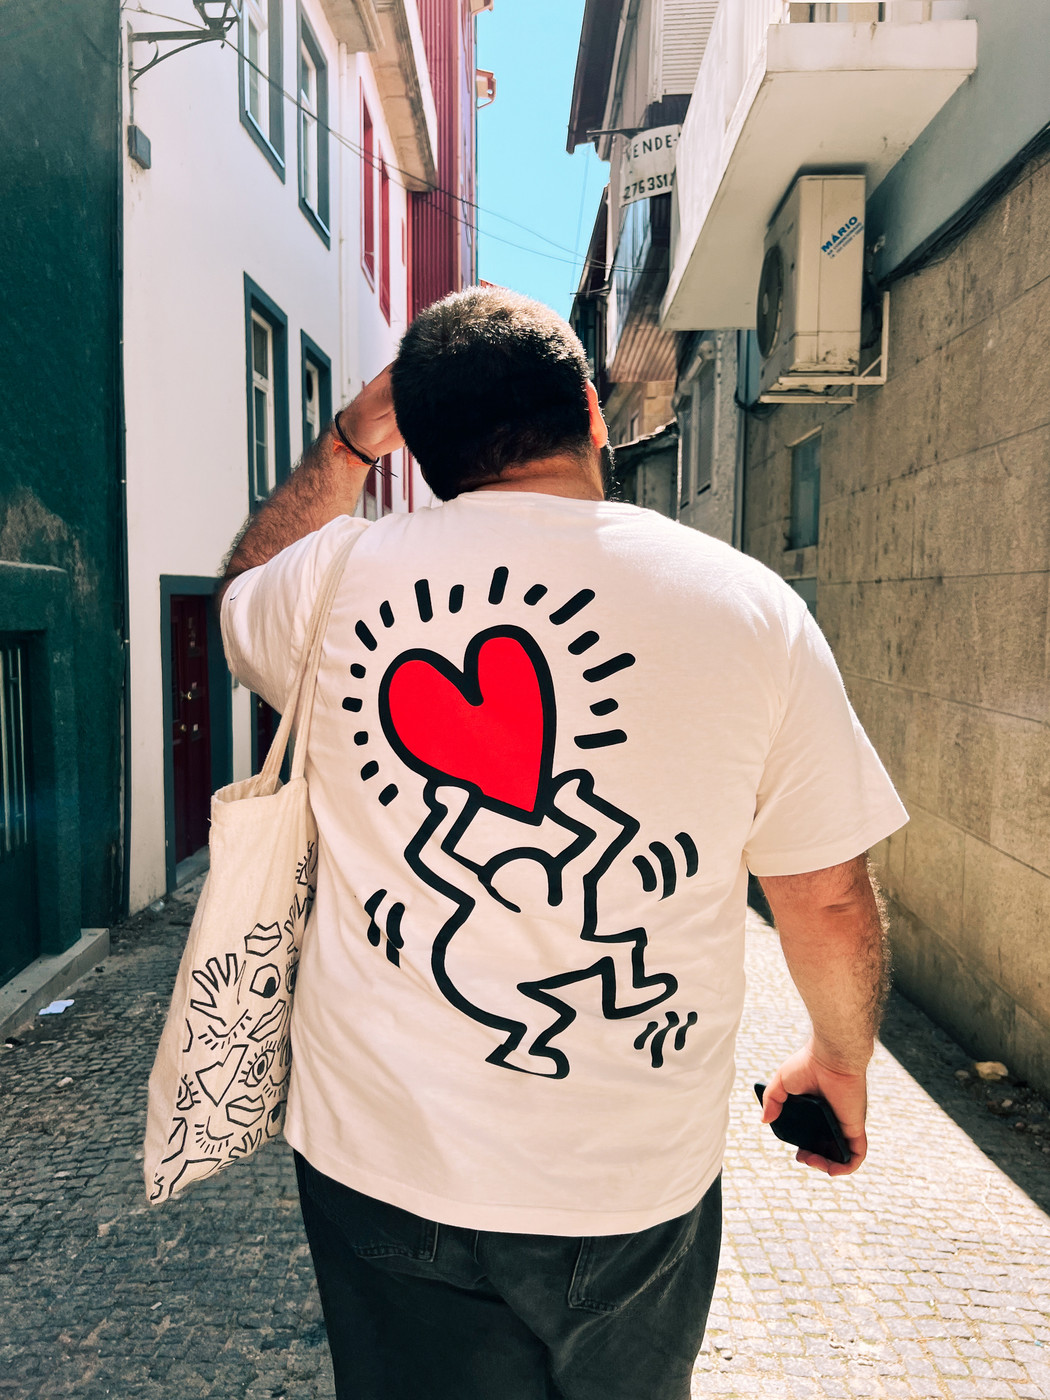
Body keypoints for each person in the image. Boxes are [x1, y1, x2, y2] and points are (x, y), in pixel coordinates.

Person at [218, 286, 907, 1400]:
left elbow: (242, 583)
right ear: (593, 409)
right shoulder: (750, 606)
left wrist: (351, 436)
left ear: (421, 451)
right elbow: (824, 896)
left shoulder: (332, 580)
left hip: (388, 1167)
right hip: (634, 1181)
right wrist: (839, 1064)